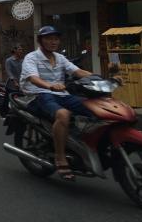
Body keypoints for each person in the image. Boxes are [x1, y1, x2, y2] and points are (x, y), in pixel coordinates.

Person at [20, 26, 93, 182]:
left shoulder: (60, 58)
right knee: (63, 114)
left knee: (94, 108)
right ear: (41, 41)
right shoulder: (31, 57)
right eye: (49, 38)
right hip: (39, 95)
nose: (53, 42)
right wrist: (49, 85)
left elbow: (77, 71)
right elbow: (33, 78)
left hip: (61, 94)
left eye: (55, 39)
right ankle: (60, 157)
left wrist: (101, 78)